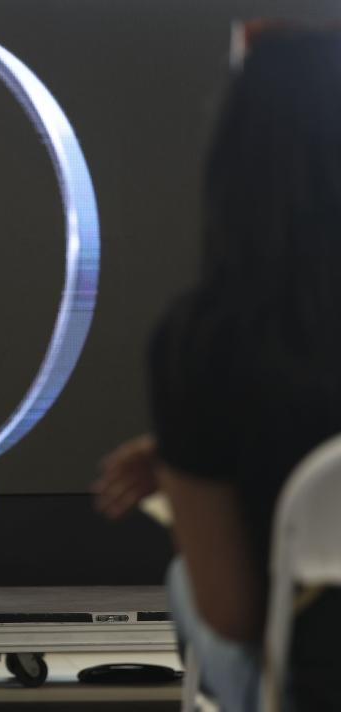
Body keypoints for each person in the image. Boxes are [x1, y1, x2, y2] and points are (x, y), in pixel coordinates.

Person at [93, 26, 341, 712]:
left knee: (184, 583)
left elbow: (232, 613)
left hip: (313, 684)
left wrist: (186, 465)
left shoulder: (202, 346)